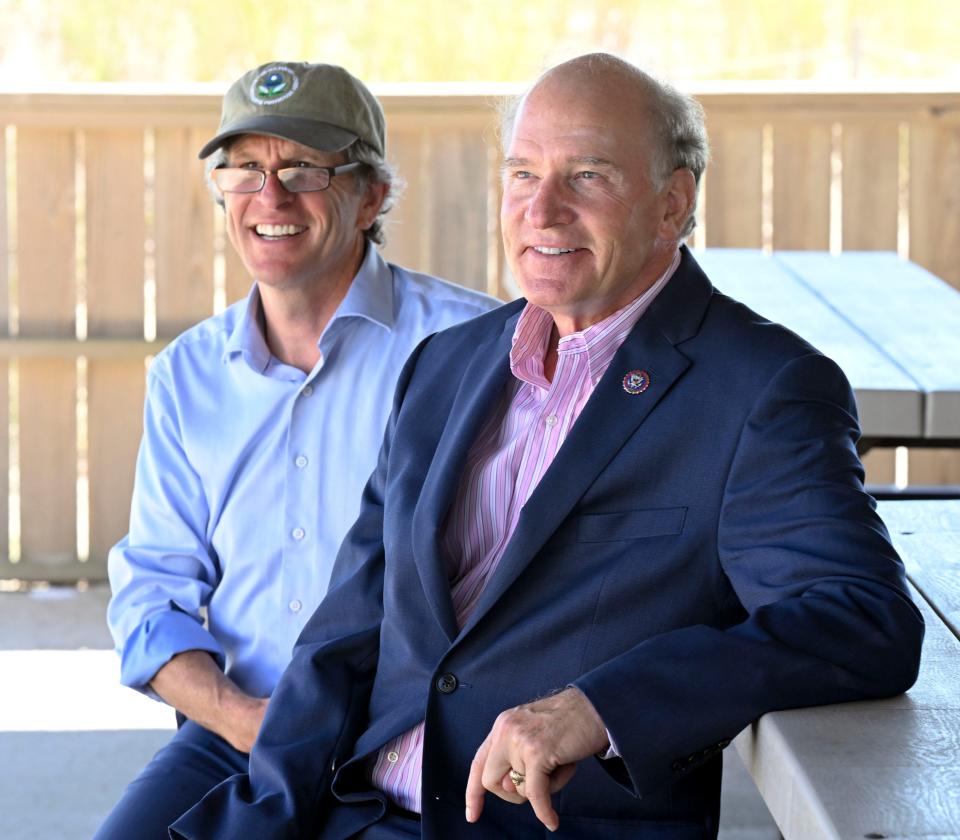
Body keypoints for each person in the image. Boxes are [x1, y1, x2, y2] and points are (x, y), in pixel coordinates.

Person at [170, 53, 924, 839]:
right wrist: (266, 816)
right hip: (355, 810)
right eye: (523, 174)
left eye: (588, 176)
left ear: (673, 203)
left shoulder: (758, 388)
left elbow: (860, 617)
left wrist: (602, 706)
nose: (543, 210)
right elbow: (346, 630)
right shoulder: (447, 366)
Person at [97, 61, 497, 839]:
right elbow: (152, 590)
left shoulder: (470, 349)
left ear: (371, 193)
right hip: (236, 736)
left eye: (305, 168)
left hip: (406, 745)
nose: (269, 197)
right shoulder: (189, 373)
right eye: (244, 169)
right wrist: (244, 720)